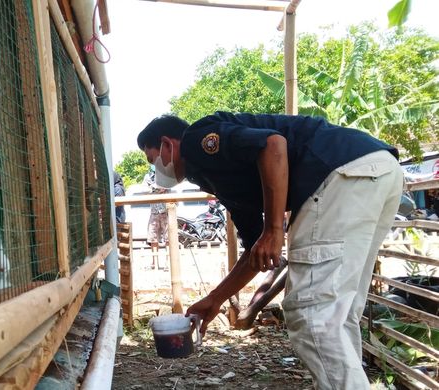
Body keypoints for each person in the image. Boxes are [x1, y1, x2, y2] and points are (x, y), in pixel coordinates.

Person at [137, 112, 402, 389]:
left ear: (167, 145)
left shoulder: (196, 142)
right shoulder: (218, 176)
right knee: (337, 315)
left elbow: (272, 144)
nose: (155, 168)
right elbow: (256, 251)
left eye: (151, 158)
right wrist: (216, 299)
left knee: (312, 316)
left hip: (340, 171)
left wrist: (275, 230)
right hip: (377, 168)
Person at [145, 169, 170, 269]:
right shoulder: (149, 176)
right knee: (152, 237)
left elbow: (164, 187)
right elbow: (147, 189)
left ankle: (168, 262)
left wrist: (155, 189)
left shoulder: (167, 175)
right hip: (154, 211)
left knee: (168, 238)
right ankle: (154, 262)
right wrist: (155, 189)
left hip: (166, 211)